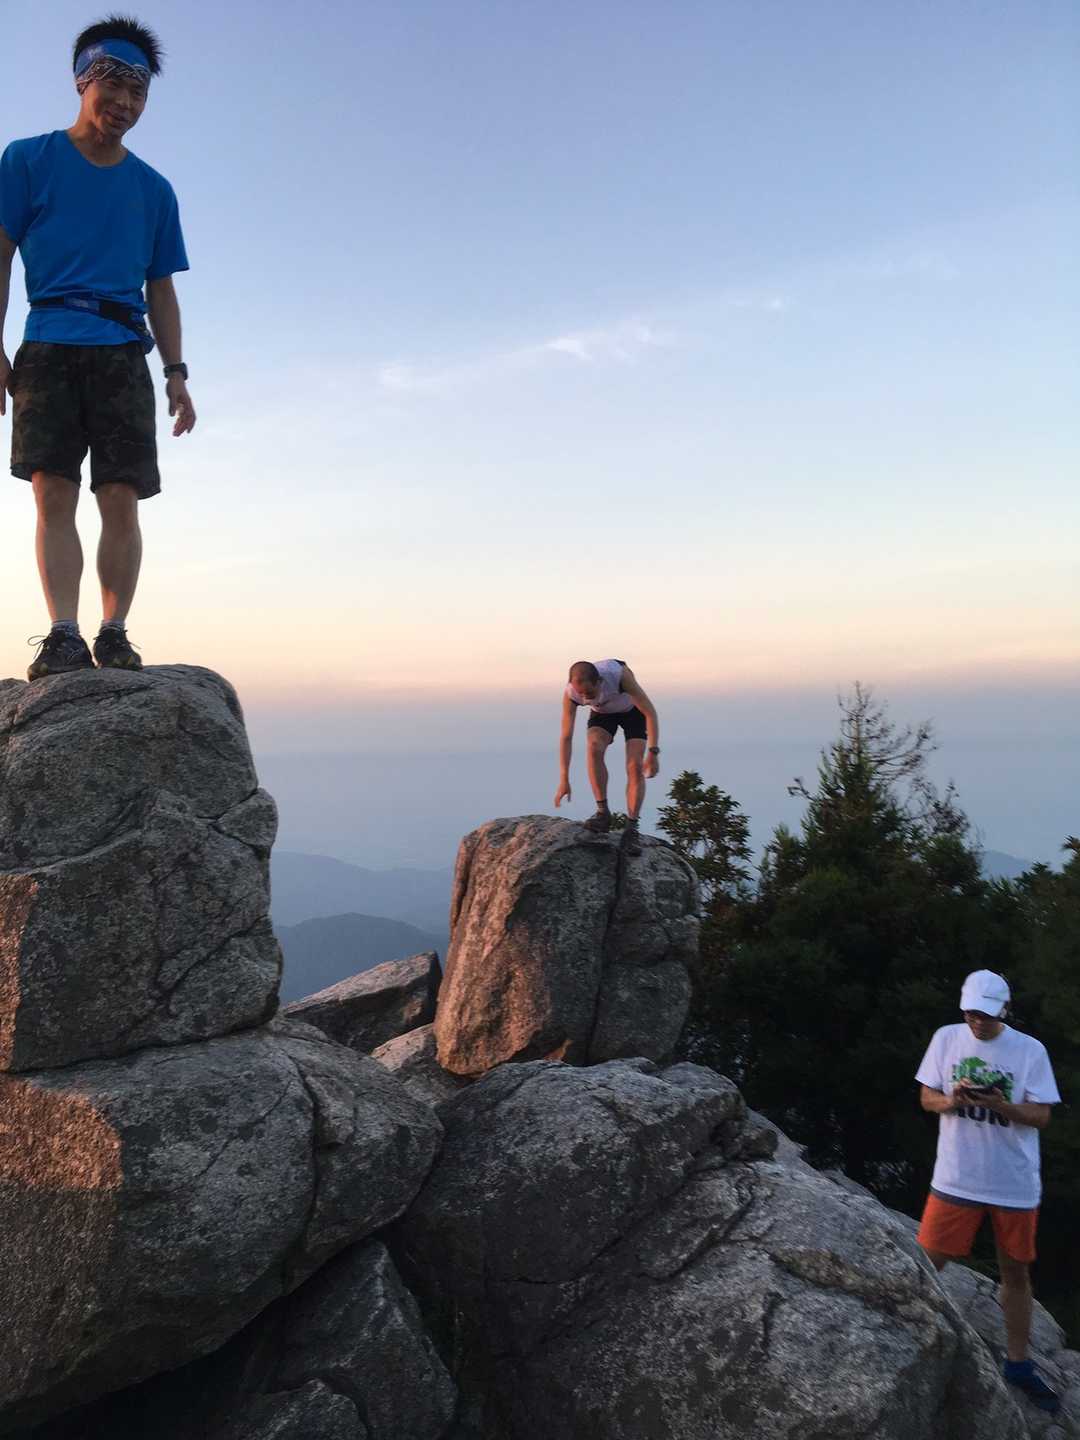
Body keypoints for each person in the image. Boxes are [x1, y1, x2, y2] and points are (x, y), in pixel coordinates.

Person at [0, 14, 194, 682]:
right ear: (83, 79)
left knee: (121, 497)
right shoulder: (27, 160)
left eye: (140, 92)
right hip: (48, 343)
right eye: (115, 83)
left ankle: (113, 633)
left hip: (123, 352)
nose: (126, 102)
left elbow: (161, 289)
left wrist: (176, 372)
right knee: (52, 493)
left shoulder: (154, 190)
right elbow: (1, 256)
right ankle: (62, 634)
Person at [915, 969, 1061, 1414]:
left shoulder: (1029, 1050)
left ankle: (1018, 1363)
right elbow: (927, 1098)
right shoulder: (946, 1038)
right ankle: (910, 1335)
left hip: (1013, 1183)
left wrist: (1001, 1106)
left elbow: (1042, 1116)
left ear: (1005, 1010)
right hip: (956, 1177)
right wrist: (954, 1100)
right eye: (971, 1013)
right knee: (926, 1264)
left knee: (1015, 1272)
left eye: (987, 1014)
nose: (977, 1022)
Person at [554, 659, 660, 854]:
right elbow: (566, 736)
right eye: (581, 694)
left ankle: (631, 828)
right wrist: (564, 779)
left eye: (590, 693)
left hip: (632, 711)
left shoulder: (619, 676)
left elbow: (650, 713)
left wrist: (653, 753)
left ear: (599, 682)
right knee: (593, 747)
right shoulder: (571, 693)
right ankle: (603, 813)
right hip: (603, 714)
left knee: (634, 765)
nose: (585, 698)